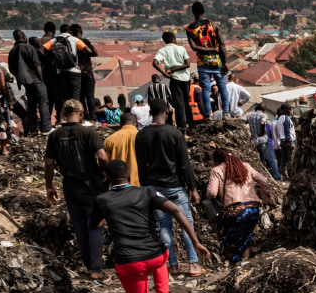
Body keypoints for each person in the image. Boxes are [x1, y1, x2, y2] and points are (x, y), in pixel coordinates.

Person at [88, 159, 209, 293]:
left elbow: (92, 225)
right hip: (154, 255)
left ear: (105, 177)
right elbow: (176, 211)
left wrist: (110, 216)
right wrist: (195, 241)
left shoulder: (102, 199)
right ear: (129, 175)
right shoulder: (146, 192)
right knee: (162, 256)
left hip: (128, 261)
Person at [136, 98, 204, 277]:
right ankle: (193, 264)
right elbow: (184, 164)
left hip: (154, 187)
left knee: (163, 226)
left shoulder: (141, 135)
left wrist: (145, 189)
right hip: (175, 186)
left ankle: (172, 265)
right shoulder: (174, 133)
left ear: (150, 112)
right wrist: (193, 188)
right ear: (167, 112)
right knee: (186, 224)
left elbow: (141, 166)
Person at [44, 99, 108, 279]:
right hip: (91, 185)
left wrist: (49, 186)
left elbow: (49, 163)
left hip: (70, 186)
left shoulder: (54, 135)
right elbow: (102, 157)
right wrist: (103, 172)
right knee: (95, 225)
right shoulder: (89, 132)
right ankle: (96, 269)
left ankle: (89, 267)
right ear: (81, 114)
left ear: (64, 114)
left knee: (80, 226)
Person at [207, 148, 272, 263]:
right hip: (253, 209)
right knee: (247, 235)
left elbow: (212, 193)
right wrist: (266, 199)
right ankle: (245, 261)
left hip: (235, 211)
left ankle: (233, 262)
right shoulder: (246, 166)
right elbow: (264, 180)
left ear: (217, 160)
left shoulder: (216, 170)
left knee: (228, 237)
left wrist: (209, 196)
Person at [186, 2, 229, 120]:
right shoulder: (213, 25)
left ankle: (208, 115)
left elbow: (194, 47)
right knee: (222, 88)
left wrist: (208, 50)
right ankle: (225, 113)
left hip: (203, 63)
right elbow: (222, 46)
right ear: (203, 11)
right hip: (217, 61)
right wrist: (225, 62)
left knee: (205, 89)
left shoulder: (190, 29)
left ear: (193, 12)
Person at [9, 30, 50, 134]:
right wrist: (41, 79)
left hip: (24, 82)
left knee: (31, 104)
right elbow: (37, 65)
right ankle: (46, 127)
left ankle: (34, 128)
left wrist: (19, 79)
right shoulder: (29, 48)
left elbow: (11, 69)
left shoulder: (12, 51)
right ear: (24, 36)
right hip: (34, 78)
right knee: (43, 102)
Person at [41, 24, 88, 106]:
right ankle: (75, 115)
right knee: (75, 95)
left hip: (61, 71)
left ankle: (67, 115)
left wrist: (51, 61)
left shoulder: (55, 40)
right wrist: (82, 64)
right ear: (70, 31)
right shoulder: (74, 39)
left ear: (60, 31)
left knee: (65, 96)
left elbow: (41, 50)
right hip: (74, 70)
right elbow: (89, 50)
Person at [154, 31, 192, 132]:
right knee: (186, 101)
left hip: (175, 79)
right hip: (185, 78)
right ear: (173, 39)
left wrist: (166, 72)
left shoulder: (162, 50)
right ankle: (191, 124)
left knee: (179, 103)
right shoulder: (181, 48)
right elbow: (187, 64)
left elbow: (155, 63)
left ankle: (182, 127)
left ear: (165, 41)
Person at [245, 103, 281, 180]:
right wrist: (262, 131)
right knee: (271, 159)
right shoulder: (263, 115)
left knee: (260, 159)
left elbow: (242, 121)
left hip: (254, 141)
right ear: (264, 110)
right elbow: (262, 122)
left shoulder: (249, 115)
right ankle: (277, 177)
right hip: (263, 140)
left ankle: (258, 176)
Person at [71, 25, 98, 119]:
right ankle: (93, 116)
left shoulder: (71, 43)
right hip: (87, 71)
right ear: (80, 32)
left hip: (77, 73)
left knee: (81, 96)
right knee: (90, 96)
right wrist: (84, 63)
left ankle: (84, 116)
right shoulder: (84, 42)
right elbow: (94, 52)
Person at [104, 113, 140, 186]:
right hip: (139, 183)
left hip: (118, 184)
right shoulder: (143, 137)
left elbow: (104, 162)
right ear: (137, 124)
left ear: (120, 124)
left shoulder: (110, 139)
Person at [40, 22, 63, 124]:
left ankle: (47, 121)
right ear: (54, 30)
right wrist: (51, 61)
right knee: (58, 97)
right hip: (55, 72)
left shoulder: (39, 41)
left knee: (47, 99)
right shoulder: (55, 41)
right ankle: (59, 119)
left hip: (43, 74)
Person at [271, 103, 296, 180]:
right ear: (287, 110)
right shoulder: (286, 118)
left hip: (282, 141)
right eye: (290, 109)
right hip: (287, 142)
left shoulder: (280, 118)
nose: (291, 111)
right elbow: (287, 131)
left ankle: (284, 176)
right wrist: (290, 142)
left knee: (283, 159)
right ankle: (291, 176)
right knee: (290, 159)